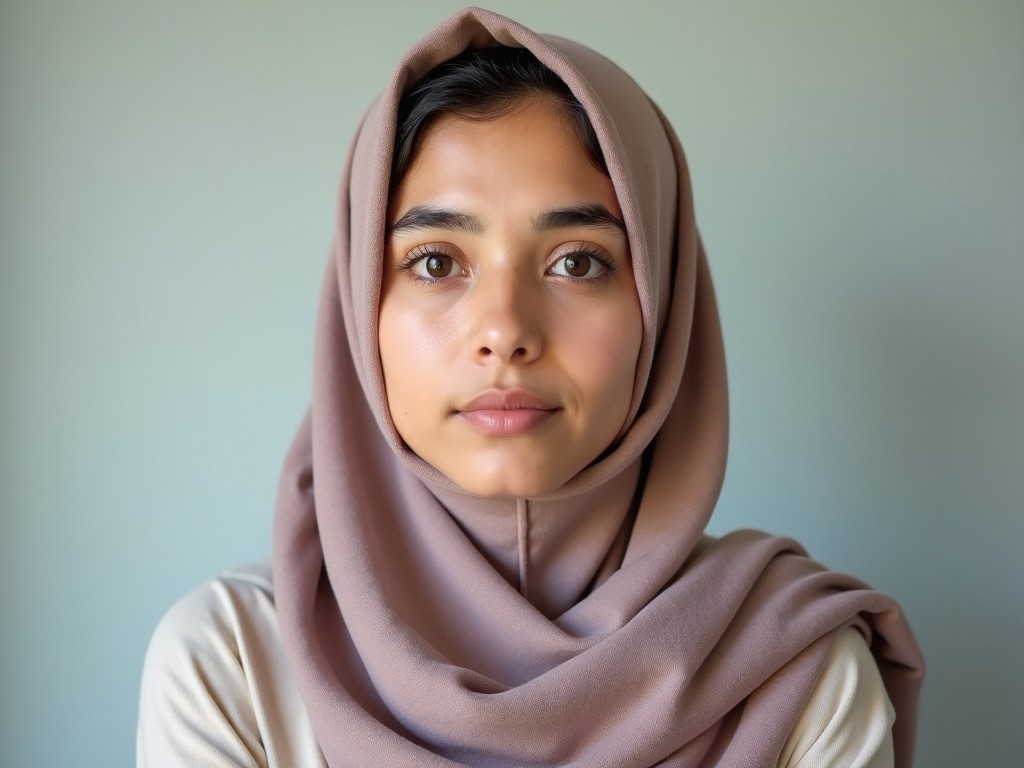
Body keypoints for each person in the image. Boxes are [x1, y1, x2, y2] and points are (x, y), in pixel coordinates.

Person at [137, 8, 924, 767]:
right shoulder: (233, 663)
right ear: (359, 309)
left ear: (663, 304)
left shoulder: (795, 674)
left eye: (577, 261)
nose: (504, 329)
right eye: (436, 262)